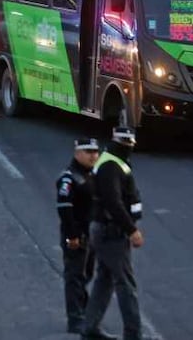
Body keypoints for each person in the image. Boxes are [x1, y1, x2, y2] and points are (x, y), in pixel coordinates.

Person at [80, 127, 146, 340]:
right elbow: (113, 202)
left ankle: (89, 328)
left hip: (106, 231)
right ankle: (133, 334)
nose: (130, 148)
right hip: (112, 233)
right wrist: (132, 230)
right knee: (126, 285)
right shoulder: (110, 166)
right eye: (128, 144)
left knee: (104, 281)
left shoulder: (112, 161)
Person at [58, 138, 101, 335]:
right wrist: (72, 236)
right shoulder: (69, 178)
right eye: (88, 152)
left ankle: (83, 313)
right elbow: (65, 210)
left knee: (86, 274)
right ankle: (75, 319)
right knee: (74, 277)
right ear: (77, 154)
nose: (93, 155)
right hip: (76, 236)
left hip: (90, 235)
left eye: (95, 152)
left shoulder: (92, 175)